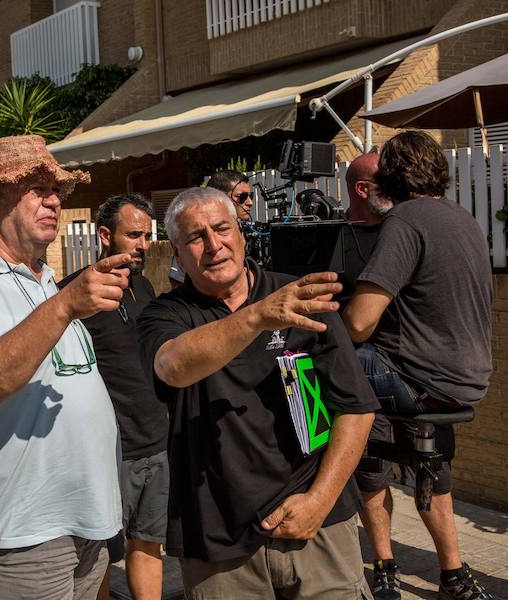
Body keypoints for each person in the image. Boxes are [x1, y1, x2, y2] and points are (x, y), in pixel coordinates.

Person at [136, 186, 378, 599]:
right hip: (220, 538)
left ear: (242, 234)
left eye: (222, 229)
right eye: (196, 237)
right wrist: (258, 317)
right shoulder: (167, 314)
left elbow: (355, 409)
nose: (214, 245)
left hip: (317, 523)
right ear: (177, 254)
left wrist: (319, 501)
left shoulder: (300, 298)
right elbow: (173, 366)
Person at [0, 135, 127, 600]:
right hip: (19, 536)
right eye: (38, 188)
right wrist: (66, 307)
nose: (54, 200)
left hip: (85, 523)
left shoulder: (47, 282)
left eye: (57, 190)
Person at [342, 131, 494, 600]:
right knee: (431, 469)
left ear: (389, 176)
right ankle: (448, 573)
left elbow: (359, 323)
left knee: (320, 356)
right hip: (463, 381)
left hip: (411, 377)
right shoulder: (463, 219)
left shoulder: (404, 222)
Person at [59, 194, 168, 600]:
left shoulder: (144, 285)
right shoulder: (73, 295)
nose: (144, 244)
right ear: (105, 235)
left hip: (155, 440)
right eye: (134, 235)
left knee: (148, 540)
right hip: (109, 451)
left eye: (148, 235)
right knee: (98, 553)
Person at [339, 152, 387, 307]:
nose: (396, 188)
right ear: (362, 189)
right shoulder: (333, 240)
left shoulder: (402, 229)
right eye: (387, 181)